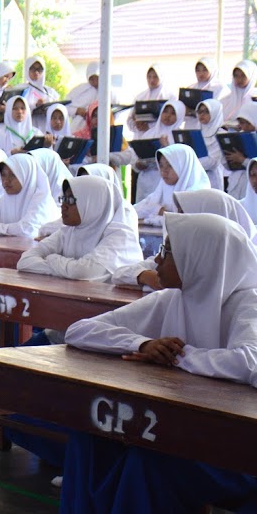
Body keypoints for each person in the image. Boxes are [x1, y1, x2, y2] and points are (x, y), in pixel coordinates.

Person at [61, 213, 257, 513]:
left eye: (167, 251)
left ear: (198, 258)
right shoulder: (175, 297)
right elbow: (79, 330)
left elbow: (248, 362)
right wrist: (143, 344)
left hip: (240, 446)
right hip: (185, 426)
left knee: (149, 460)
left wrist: (179, 356)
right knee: (89, 435)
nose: (156, 259)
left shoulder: (248, 303)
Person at [17, 176, 142, 283]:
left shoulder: (121, 236)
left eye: (71, 200)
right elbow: (24, 261)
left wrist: (52, 258)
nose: (64, 206)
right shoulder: (68, 231)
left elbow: (84, 272)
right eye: (64, 199)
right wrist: (67, 268)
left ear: (93, 203)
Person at [132, 144, 210, 225]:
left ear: (183, 165)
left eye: (170, 166)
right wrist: (157, 212)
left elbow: (182, 222)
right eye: (161, 166)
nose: (164, 171)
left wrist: (155, 214)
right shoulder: (162, 188)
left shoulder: (198, 193)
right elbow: (133, 211)